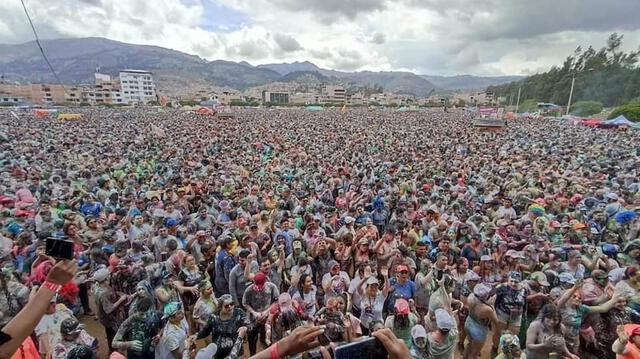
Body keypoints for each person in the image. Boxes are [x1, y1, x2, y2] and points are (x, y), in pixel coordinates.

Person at [195, 294, 249, 359]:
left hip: (236, 350)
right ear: (220, 307)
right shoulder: (214, 317)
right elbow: (206, 331)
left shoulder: (239, 313)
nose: (230, 307)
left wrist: (245, 327)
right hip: (219, 352)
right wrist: (196, 336)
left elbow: (249, 324)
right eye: (226, 306)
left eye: (232, 304)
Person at [243, 271, 279, 355]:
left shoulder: (272, 287)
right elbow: (245, 303)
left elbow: (277, 300)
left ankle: (267, 354)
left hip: (267, 318)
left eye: (261, 286)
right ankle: (253, 355)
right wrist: (254, 312)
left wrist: (267, 311)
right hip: (253, 319)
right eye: (257, 286)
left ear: (265, 282)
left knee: (267, 338)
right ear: (254, 282)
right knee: (252, 340)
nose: (259, 288)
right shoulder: (249, 290)